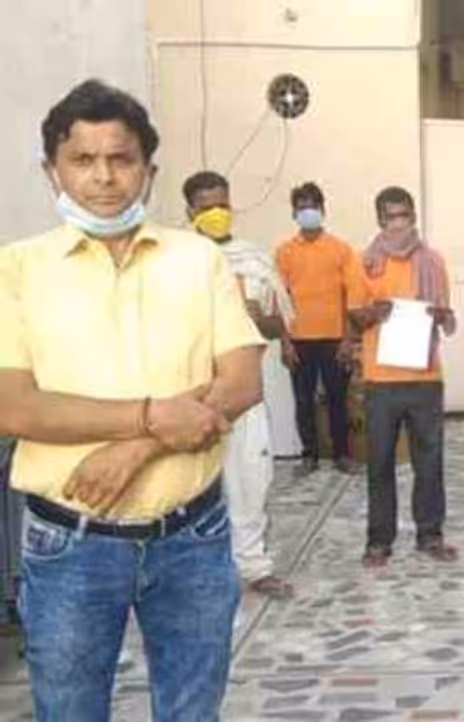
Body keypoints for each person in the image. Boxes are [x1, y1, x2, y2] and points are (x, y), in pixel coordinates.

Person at [0, 80, 263, 720]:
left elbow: (241, 382)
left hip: (193, 535)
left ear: (149, 169)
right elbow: (15, 407)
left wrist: (137, 446)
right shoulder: (16, 270)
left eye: (121, 159)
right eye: (82, 160)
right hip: (70, 543)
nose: (103, 178)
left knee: (192, 712)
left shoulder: (198, 260)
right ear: (51, 170)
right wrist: (153, 413)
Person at [184, 170, 297, 600]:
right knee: (196, 485)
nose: (217, 213)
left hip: (245, 392)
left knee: (251, 478)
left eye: (223, 205)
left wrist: (254, 315)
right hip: (195, 394)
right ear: (190, 211)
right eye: (206, 207)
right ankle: (200, 572)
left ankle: (254, 566)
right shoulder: (179, 262)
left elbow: (278, 324)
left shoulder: (253, 260)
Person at [347, 187, 458, 568]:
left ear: (413, 216)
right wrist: (373, 313)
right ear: (379, 220)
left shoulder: (433, 261)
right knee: (379, 461)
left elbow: (447, 315)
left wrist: (441, 315)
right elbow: (354, 316)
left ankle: (430, 534)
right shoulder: (364, 262)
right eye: (390, 216)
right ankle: (379, 540)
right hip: (381, 379)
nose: (398, 223)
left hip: (426, 376)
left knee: (430, 460)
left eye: (404, 215)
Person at [276, 182, 361, 477]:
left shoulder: (341, 250)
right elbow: (279, 300)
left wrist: (348, 341)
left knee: (338, 400)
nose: (308, 212)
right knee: (303, 401)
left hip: (335, 339)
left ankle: (342, 454)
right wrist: (285, 343)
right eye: (302, 208)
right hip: (298, 340)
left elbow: (353, 298)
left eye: (313, 206)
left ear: (323, 210)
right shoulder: (284, 252)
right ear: (294, 213)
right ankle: (309, 455)